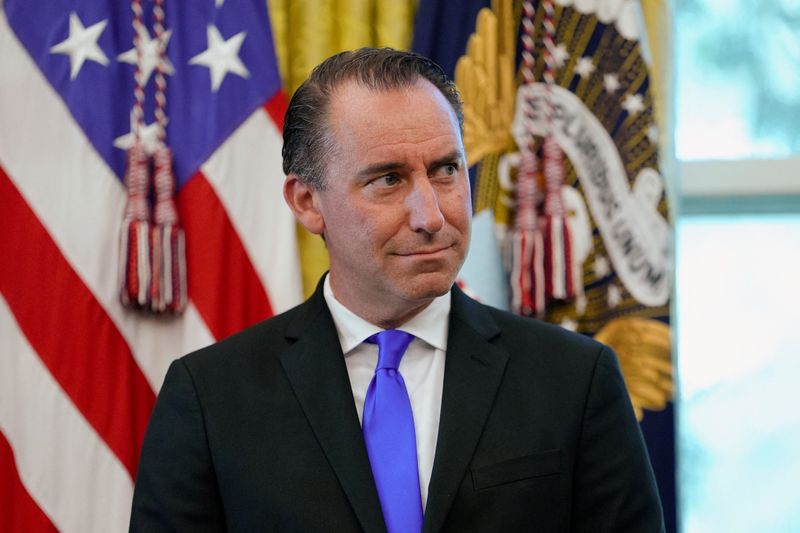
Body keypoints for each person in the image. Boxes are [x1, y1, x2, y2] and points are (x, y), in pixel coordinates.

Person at [129, 48, 664, 532]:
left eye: (447, 170)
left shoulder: (576, 380)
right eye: (388, 179)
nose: (431, 215)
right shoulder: (210, 398)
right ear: (308, 203)